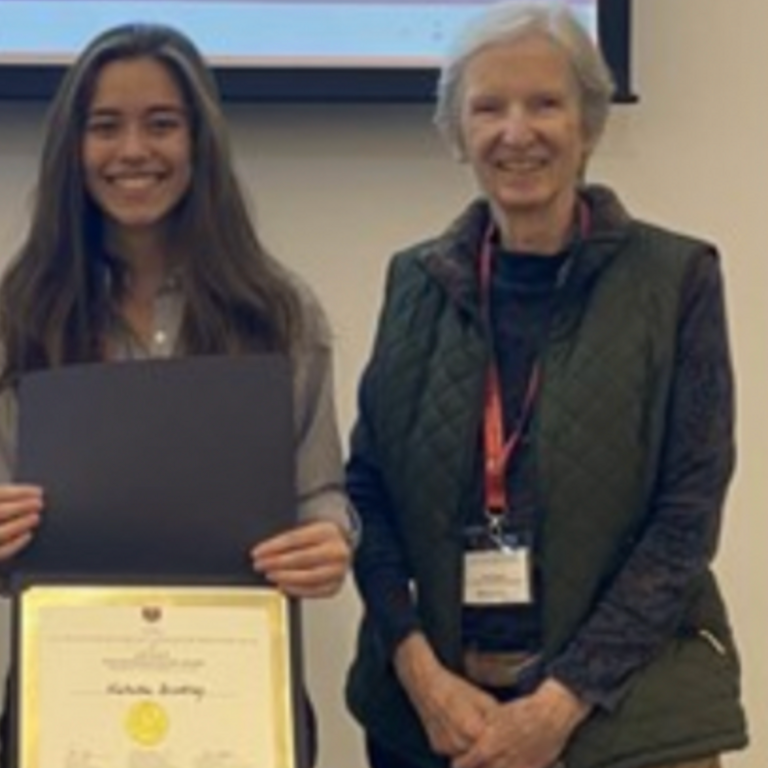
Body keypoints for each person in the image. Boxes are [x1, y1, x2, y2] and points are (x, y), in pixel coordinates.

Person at [344, 4, 748, 768]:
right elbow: (367, 492)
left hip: (625, 721)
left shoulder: (678, 280)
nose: (516, 131)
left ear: (589, 125)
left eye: (545, 104)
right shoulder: (414, 282)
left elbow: (685, 520)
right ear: (458, 134)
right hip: (436, 722)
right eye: (488, 107)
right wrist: (419, 673)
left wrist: (558, 707)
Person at [0, 22, 354, 765]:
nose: (134, 151)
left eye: (162, 124)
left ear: (201, 144)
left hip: (237, 695)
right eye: (106, 127)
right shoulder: (18, 314)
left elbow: (319, 489)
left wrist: (331, 538)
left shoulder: (279, 311)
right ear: (74, 147)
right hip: (68, 695)